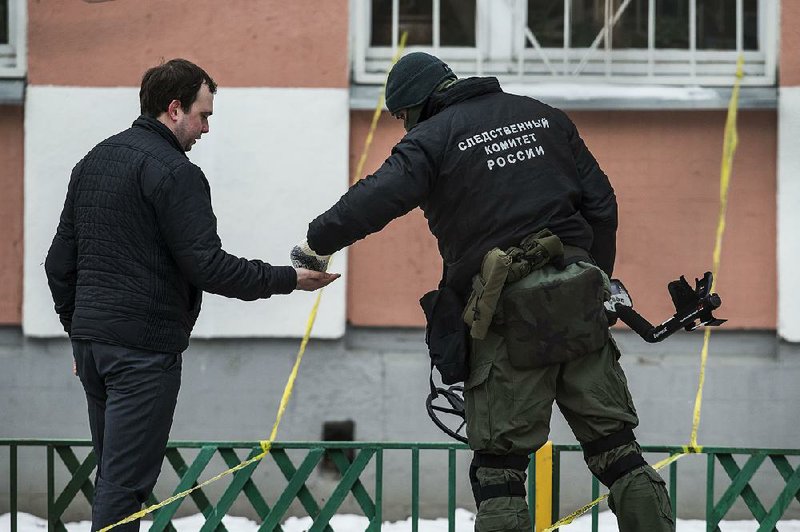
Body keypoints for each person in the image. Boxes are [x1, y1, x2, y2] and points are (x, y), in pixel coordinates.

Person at [290, 52, 674, 531]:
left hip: (506, 317)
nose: (403, 128)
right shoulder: (544, 116)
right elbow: (602, 204)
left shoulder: (431, 139)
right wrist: (593, 281)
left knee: (500, 472)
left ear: (416, 105)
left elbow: (373, 199)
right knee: (618, 453)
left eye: (401, 117)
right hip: (578, 303)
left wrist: (315, 243)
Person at [44, 58, 339, 532]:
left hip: (94, 349)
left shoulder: (93, 160)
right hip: (142, 354)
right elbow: (209, 267)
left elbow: (58, 264)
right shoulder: (176, 173)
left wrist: (79, 333)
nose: (206, 129)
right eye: (204, 116)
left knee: (113, 475)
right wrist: (289, 279)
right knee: (125, 487)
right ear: (174, 108)